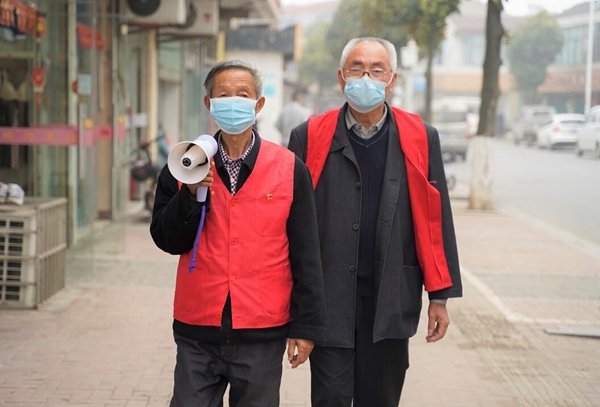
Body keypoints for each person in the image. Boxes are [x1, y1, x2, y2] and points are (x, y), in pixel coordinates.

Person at [287, 37, 463, 407]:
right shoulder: (309, 136)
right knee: (330, 399)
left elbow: (437, 219)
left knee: (381, 399)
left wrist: (439, 297)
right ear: (341, 77)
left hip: (391, 299)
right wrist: (297, 314)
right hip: (328, 301)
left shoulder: (420, 137)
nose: (366, 78)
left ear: (392, 79)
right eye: (357, 69)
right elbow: (292, 227)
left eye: (376, 70)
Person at [150, 59, 326, 407]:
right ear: (209, 103)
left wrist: (307, 327)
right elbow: (167, 239)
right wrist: (189, 194)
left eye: (243, 95)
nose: (233, 102)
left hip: (262, 330)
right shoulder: (185, 164)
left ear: (258, 105)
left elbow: (306, 253)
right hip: (198, 328)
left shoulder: (289, 169)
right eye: (223, 95)